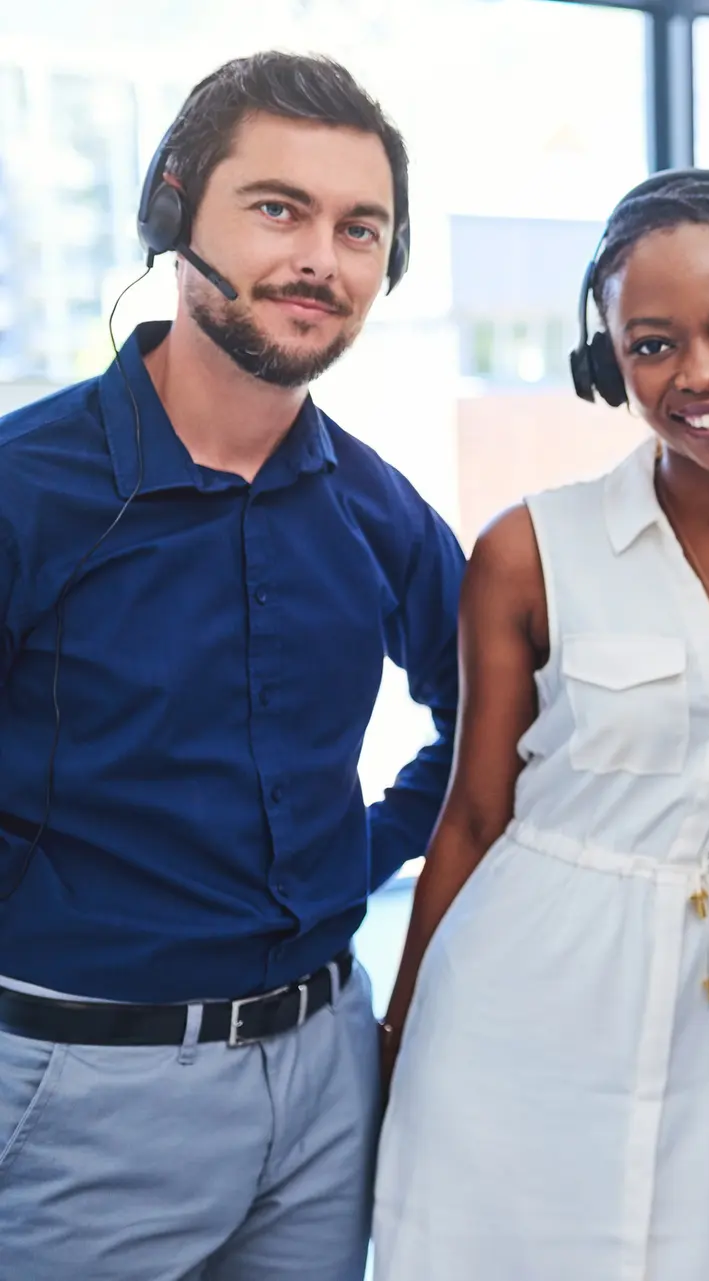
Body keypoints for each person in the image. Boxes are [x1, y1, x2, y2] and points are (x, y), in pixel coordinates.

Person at [371, 170, 709, 1281]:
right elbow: (471, 819)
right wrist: (398, 1038)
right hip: (519, 1016)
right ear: (606, 361)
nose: (700, 375)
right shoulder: (528, 549)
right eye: (652, 344)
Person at [0, 53, 458, 1281]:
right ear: (175, 211)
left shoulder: (376, 506)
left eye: (360, 228)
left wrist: (359, 850)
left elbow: (492, 714)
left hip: (324, 1075)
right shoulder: (23, 488)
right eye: (278, 209)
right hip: (80, 1085)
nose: (320, 257)